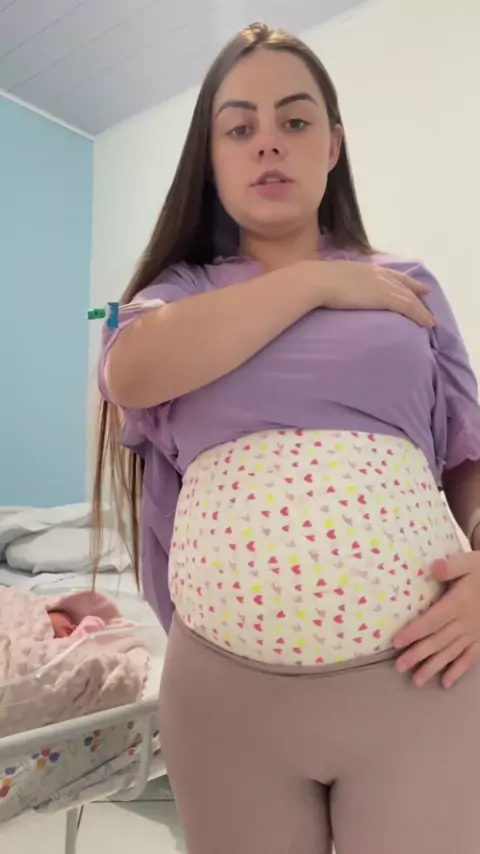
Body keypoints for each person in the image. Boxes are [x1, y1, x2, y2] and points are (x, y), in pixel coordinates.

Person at [94, 22, 480, 854]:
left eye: (295, 121)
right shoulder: (176, 296)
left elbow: (467, 454)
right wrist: (314, 282)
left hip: (419, 679)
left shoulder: (406, 286)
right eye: (239, 128)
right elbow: (130, 374)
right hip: (226, 701)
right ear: (211, 159)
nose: (268, 142)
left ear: (332, 144)